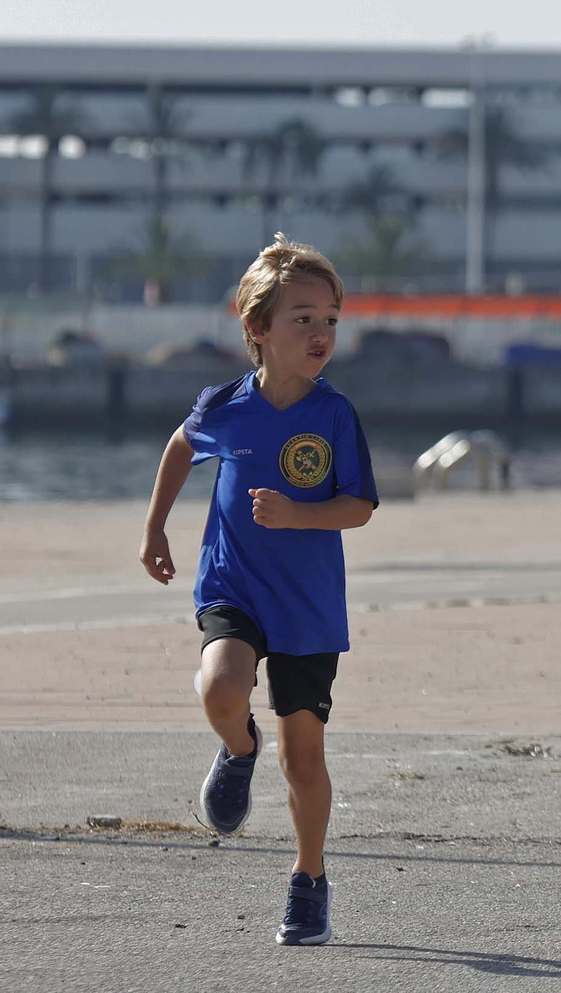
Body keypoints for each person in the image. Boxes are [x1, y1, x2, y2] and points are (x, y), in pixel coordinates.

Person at [138, 235, 378, 945]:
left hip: (307, 606)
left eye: (330, 318)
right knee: (220, 687)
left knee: (302, 754)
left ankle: (309, 881)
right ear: (257, 329)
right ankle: (237, 749)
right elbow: (182, 445)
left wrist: (299, 513)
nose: (321, 333)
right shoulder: (225, 406)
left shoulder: (334, 414)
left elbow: (359, 506)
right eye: (302, 318)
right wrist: (156, 528)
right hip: (234, 584)